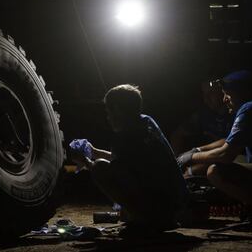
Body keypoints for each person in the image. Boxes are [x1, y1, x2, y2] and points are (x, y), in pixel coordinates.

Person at [71, 84, 189, 233]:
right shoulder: (146, 122)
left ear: (118, 110)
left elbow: (115, 168)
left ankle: (144, 219)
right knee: (108, 166)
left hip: (160, 205)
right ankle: (155, 217)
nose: (108, 118)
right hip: (176, 204)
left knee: (99, 167)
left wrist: (87, 163)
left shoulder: (124, 138)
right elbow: (125, 159)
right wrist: (94, 152)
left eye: (109, 112)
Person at [177, 70, 252, 213]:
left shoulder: (249, 109)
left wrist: (190, 158)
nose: (224, 99)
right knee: (234, 159)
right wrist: (197, 150)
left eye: (228, 94)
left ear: (243, 93)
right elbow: (230, 141)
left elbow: (225, 154)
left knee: (215, 171)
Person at [171, 80, 233, 156]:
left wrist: (196, 152)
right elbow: (179, 134)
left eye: (211, 93)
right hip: (206, 156)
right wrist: (175, 159)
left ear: (221, 91)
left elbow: (229, 142)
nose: (206, 98)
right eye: (204, 94)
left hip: (225, 156)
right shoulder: (203, 113)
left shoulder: (234, 113)